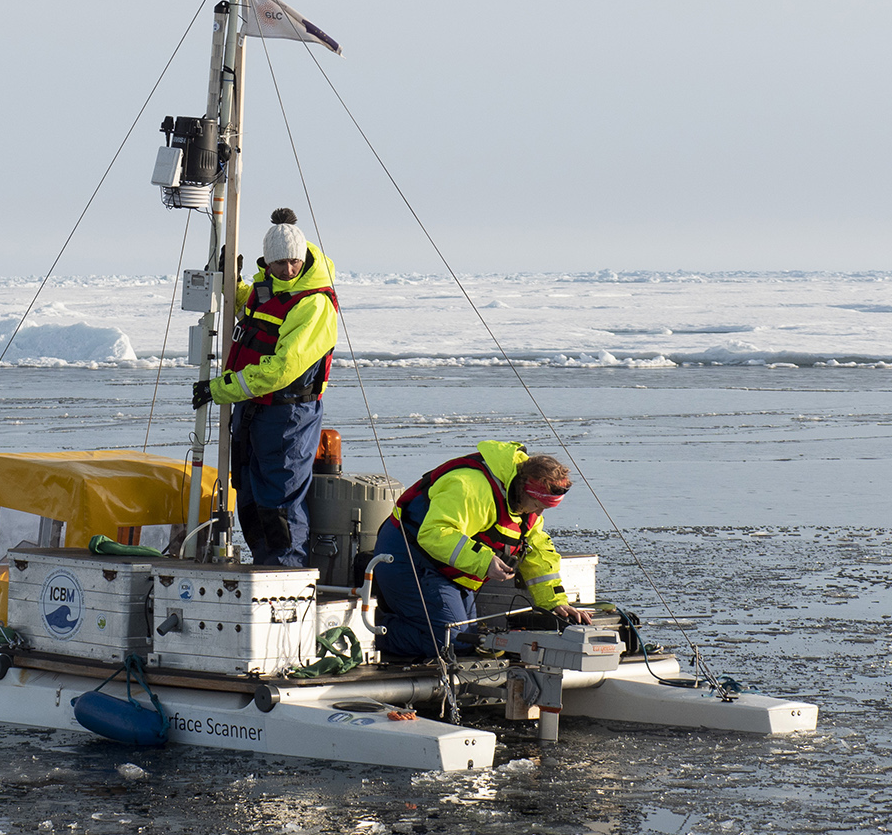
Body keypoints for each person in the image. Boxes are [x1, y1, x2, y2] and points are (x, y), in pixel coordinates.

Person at [192, 209, 340, 567]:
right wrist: (233, 282)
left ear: (303, 257)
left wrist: (220, 389)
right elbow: (254, 308)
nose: (287, 269)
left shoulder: (314, 304)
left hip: (287, 414)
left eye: (293, 261)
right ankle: (262, 564)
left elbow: (282, 369)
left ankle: (285, 574)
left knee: (279, 498)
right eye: (279, 263)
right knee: (247, 493)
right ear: (267, 262)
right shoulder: (268, 289)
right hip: (252, 409)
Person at [369, 440, 594, 660]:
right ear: (524, 488)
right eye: (537, 505)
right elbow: (434, 532)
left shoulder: (526, 505)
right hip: (407, 557)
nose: (539, 513)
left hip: (449, 569)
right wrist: (484, 562)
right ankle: (369, 636)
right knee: (449, 642)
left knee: (469, 640)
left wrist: (555, 604)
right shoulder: (471, 487)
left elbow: (538, 555)